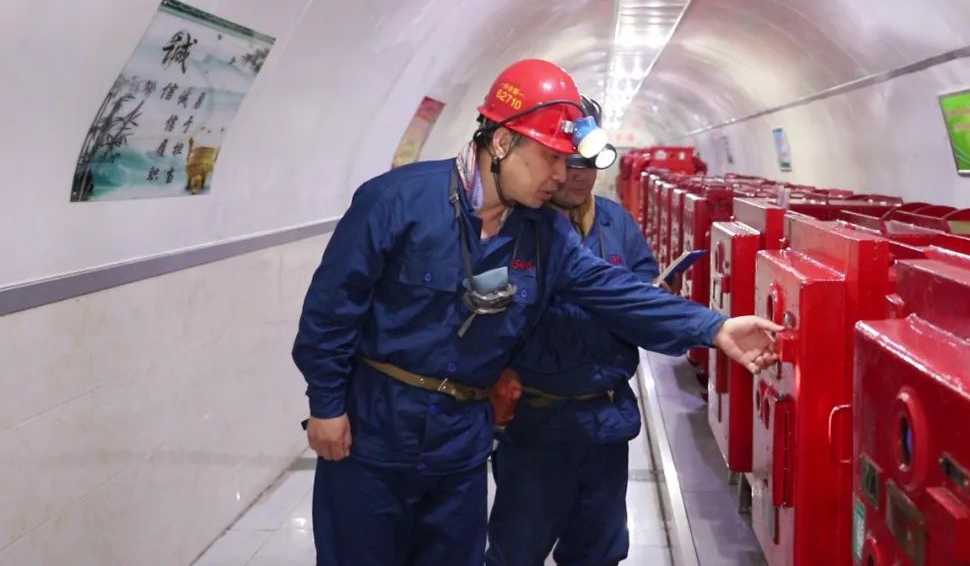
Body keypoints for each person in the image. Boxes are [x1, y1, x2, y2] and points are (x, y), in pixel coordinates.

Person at [291, 58, 781, 566]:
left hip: (461, 443)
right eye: (551, 158)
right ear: (503, 142)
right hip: (374, 432)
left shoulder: (544, 233)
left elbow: (616, 290)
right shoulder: (397, 201)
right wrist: (326, 405)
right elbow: (331, 310)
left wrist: (714, 327)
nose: (561, 175)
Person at [485, 97, 657, 566]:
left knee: (599, 551)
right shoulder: (512, 226)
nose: (580, 176)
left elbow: (644, 284)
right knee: (517, 551)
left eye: (591, 164)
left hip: (605, 421)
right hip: (536, 425)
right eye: (570, 163)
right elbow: (486, 315)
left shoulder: (615, 222)